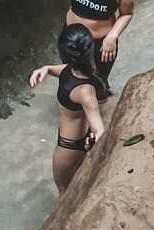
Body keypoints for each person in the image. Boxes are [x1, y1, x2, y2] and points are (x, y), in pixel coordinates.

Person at [29, 24, 108, 193]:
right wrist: (46, 69)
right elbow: (63, 71)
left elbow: (100, 132)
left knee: (64, 191)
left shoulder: (86, 92)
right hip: (77, 141)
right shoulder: (75, 71)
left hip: (69, 147)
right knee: (78, 184)